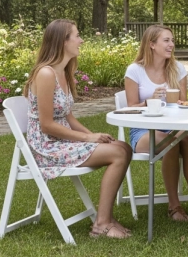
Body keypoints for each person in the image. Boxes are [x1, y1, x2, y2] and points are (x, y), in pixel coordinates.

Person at [24, 19, 133, 240]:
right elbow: (47, 125)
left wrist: (93, 136)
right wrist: (87, 138)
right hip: (47, 146)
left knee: (123, 147)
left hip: (61, 141)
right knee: (118, 153)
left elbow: (68, 117)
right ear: (63, 41)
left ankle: (106, 218)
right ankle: (101, 225)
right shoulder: (46, 74)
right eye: (77, 36)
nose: (81, 40)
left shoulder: (63, 72)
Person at [124, 25, 188, 221]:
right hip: (143, 129)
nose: (171, 45)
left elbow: (183, 104)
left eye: (172, 40)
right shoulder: (135, 70)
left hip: (171, 125)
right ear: (152, 44)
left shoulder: (177, 69)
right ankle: (174, 206)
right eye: (166, 40)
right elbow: (130, 108)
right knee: (172, 143)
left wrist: (180, 102)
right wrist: (148, 101)